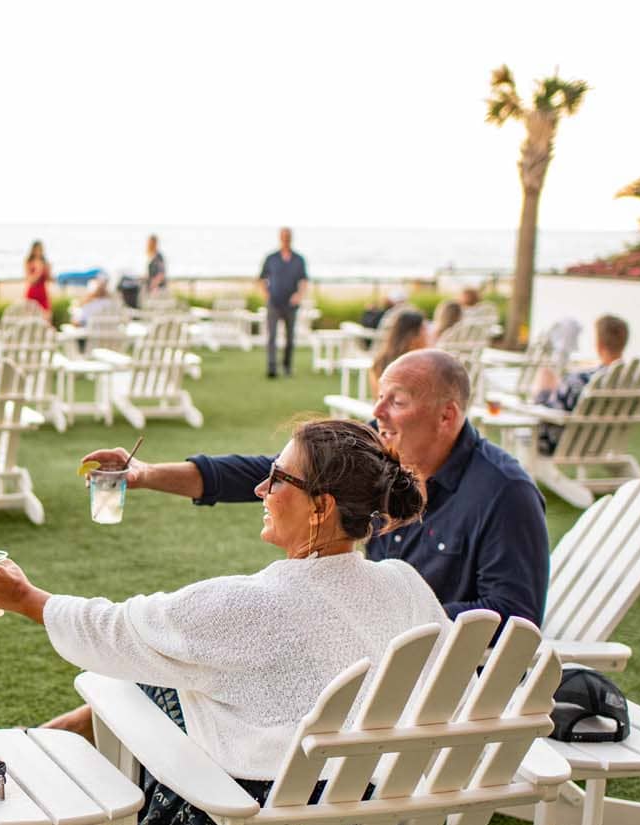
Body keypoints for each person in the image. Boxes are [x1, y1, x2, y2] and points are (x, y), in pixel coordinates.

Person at [0, 419, 445, 825]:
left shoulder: (249, 606)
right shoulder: (406, 585)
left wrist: (26, 598)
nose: (261, 487)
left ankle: (51, 743)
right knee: (173, 661)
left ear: (321, 509)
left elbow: (115, 629)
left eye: (278, 478)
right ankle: (58, 735)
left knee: (137, 676)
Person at [78, 348, 548, 628]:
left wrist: (385, 612)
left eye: (397, 401)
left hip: (440, 680)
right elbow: (267, 473)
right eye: (379, 395)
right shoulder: (379, 447)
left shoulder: (504, 493)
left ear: (448, 416)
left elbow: (514, 615)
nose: (377, 411)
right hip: (371, 646)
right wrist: (146, 474)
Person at [532, 314, 629, 454]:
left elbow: (553, 409)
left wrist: (541, 394)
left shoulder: (580, 379)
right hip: (605, 444)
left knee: (545, 376)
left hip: (565, 444)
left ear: (599, 344)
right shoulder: (629, 380)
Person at [258, 227, 308, 378]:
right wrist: (266, 295)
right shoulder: (271, 258)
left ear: (291, 238)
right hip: (274, 303)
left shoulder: (299, 259)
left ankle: (287, 367)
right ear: (280, 238)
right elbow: (261, 279)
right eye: (283, 236)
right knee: (271, 336)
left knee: (290, 338)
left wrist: (298, 295)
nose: (286, 239)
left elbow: (304, 280)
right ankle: (272, 368)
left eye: (288, 236)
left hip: (291, 305)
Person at [368, 308, 430, 396]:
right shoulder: (422, 366)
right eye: (424, 331)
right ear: (413, 337)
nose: (428, 335)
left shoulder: (380, 362)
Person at [24, 240, 51, 313]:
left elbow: (48, 279)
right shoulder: (29, 262)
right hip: (32, 293)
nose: (39, 252)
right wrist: (38, 271)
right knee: (30, 317)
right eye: (37, 249)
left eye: (41, 249)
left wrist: (48, 270)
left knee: (47, 318)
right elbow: (30, 280)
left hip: (43, 293)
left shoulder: (45, 262)